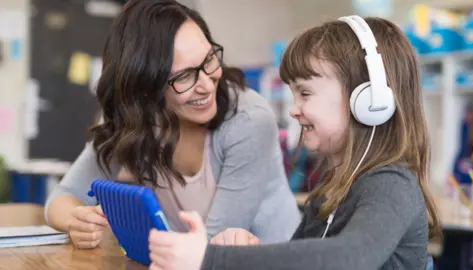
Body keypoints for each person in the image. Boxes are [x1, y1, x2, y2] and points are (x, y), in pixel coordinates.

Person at [147, 15, 442, 270]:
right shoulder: (330, 193)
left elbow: (349, 258)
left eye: (305, 93)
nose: (294, 109)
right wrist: (246, 253)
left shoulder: (391, 184)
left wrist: (211, 259)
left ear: (368, 100)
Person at [44, 0, 301, 249]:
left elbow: (215, 246)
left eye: (209, 58)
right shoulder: (135, 121)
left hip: (270, 261)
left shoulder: (247, 119)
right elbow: (61, 198)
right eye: (185, 76)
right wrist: (77, 220)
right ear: (147, 86)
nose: (206, 84)